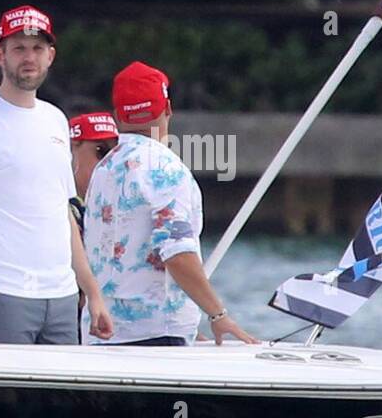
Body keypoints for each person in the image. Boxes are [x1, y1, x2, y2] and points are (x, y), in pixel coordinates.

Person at [0, 4, 113, 344]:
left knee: (63, 398)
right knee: (0, 399)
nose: (29, 57)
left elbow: (63, 213)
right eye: (19, 48)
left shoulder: (57, 120)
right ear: (0, 55)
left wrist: (92, 291)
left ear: (51, 56)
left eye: (38, 48)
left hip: (60, 297)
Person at [83, 61, 256, 347]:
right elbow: (177, 253)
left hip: (101, 331)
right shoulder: (167, 169)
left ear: (116, 115)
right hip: (156, 333)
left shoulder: (103, 168)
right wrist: (217, 314)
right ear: (168, 109)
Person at [67, 111, 118, 235]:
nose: (112, 163)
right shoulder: (50, 207)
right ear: (71, 150)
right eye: (102, 151)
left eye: (117, 154)